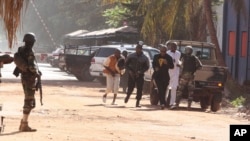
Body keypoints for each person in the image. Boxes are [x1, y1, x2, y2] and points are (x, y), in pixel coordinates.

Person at [13, 32, 41, 132]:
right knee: (29, 100)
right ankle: (24, 125)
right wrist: (37, 73)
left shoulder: (20, 49)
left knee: (28, 99)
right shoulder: (29, 51)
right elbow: (31, 66)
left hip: (24, 77)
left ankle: (23, 123)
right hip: (29, 78)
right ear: (32, 42)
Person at [175, 46, 202, 110]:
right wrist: (194, 69)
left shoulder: (183, 58)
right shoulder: (195, 58)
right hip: (191, 77)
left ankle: (177, 105)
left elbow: (181, 66)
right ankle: (189, 106)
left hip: (183, 77)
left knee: (179, 91)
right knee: (191, 92)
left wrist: (180, 74)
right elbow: (200, 66)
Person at [124, 41, 150, 107]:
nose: (138, 49)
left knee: (140, 88)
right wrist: (129, 71)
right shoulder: (131, 56)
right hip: (131, 74)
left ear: (141, 49)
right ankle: (128, 96)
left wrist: (141, 72)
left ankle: (138, 101)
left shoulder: (145, 57)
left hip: (140, 75)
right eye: (137, 48)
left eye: (139, 48)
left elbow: (147, 66)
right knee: (130, 87)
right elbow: (126, 64)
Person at [152, 45, 174, 109]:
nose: (163, 53)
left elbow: (172, 66)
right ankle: (163, 103)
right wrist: (155, 68)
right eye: (161, 51)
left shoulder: (169, 57)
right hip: (157, 75)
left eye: (164, 51)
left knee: (164, 90)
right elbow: (153, 64)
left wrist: (167, 63)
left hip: (165, 76)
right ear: (160, 51)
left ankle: (162, 102)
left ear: (166, 51)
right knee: (160, 89)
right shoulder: (156, 56)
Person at [166, 42, 181, 109]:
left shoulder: (178, 53)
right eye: (172, 46)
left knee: (174, 88)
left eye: (175, 46)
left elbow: (178, 61)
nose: (174, 47)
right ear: (170, 47)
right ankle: (164, 102)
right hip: (168, 72)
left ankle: (172, 103)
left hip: (175, 73)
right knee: (166, 87)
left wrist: (179, 64)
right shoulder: (167, 53)